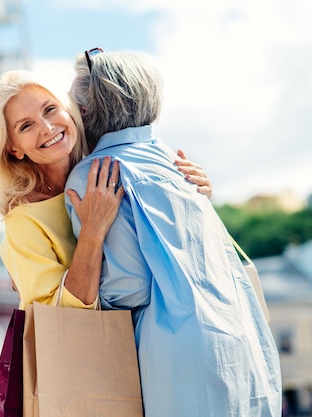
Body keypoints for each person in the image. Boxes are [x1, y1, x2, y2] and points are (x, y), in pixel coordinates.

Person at [65, 48, 282, 417]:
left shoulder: (94, 175)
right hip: (244, 345)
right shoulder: (179, 164)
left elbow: (127, 287)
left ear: (86, 111)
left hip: (178, 363)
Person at [0, 69, 212, 312]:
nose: (47, 128)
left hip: (159, 325)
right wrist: (92, 231)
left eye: (50, 109)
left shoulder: (105, 167)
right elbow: (58, 315)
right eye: (26, 126)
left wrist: (196, 193)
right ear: (13, 149)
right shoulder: (24, 220)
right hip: (108, 344)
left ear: (68, 111)